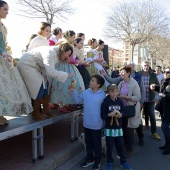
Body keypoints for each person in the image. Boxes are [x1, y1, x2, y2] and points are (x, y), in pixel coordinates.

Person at [17, 43, 74, 120]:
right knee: (39, 86)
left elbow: (48, 68)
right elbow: (51, 71)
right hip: (27, 64)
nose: (68, 56)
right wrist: (67, 75)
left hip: (36, 66)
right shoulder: (50, 53)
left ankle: (45, 110)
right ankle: (35, 112)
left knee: (46, 84)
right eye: (68, 54)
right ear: (63, 51)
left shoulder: (57, 53)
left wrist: (46, 75)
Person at [0, 1, 32, 125]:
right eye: (5, 9)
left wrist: (5, 52)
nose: (7, 12)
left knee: (4, 88)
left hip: (2, 58)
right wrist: (3, 53)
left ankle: (1, 114)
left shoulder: (3, 26)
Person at [72, 75, 105, 170]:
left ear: (98, 85)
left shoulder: (102, 95)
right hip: (87, 123)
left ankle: (98, 161)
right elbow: (77, 101)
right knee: (88, 143)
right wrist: (74, 91)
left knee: (97, 145)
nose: (90, 82)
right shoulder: (86, 93)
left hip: (97, 125)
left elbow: (104, 109)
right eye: (91, 80)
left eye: (93, 81)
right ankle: (90, 159)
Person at [49, 30, 85, 113]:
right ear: (68, 36)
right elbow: (69, 59)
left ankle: (56, 103)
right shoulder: (66, 45)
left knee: (59, 84)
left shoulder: (63, 43)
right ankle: (63, 104)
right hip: (65, 66)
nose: (74, 39)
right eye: (73, 37)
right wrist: (78, 62)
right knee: (65, 83)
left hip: (61, 66)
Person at [101, 84, 132, 170]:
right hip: (109, 129)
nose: (114, 94)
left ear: (118, 92)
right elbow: (102, 115)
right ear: (108, 92)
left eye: (116, 91)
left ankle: (123, 162)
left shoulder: (120, 101)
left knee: (121, 146)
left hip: (118, 129)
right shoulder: (105, 102)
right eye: (112, 92)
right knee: (109, 147)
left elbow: (124, 112)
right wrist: (109, 114)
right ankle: (109, 162)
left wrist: (121, 114)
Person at [118, 66, 141, 158]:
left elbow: (137, 97)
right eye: (120, 72)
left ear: (128, 73)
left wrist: (125, 97)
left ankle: (130, 150)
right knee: (123, 129)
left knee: (129, 130)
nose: (121, 74)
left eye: (123, 72)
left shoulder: (134, 83)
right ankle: (123, 147)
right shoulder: (121, 83)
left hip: (130, 109)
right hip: (122, 110)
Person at [139, 60, 161, 140]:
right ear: (142, 66)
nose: (146, 67)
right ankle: (139, 132)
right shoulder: (138, 74)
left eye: (147, 65)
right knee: (138, 115)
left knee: (152, 115)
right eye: (145, 65)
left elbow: (159, 87)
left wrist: (154, 86)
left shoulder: (153, 75)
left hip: (150, 98)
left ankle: (154, 132)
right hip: (140, 98)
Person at [150, 66, 170, 155]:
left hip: (168, 109)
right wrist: (155, 88)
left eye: (168, 72)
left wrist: (164, 95)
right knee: (164, 127)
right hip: (163, 107)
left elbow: (165, 94)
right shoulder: (164, 81)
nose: (166, 73)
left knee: (165, 128)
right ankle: (166, 144)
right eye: (165, 72)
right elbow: (162, 90)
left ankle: (169, 147)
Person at [128, 61, 146, 146]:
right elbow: (113, 80)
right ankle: (128, 144)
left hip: (136, 103)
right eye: (127, 65)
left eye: (130, 66)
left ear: (133, 67)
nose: (128, 67)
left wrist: (142, 102)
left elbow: (143, 90)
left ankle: (141, 137)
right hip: (127, 104)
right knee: (128, 123)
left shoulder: (138, 76)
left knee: (137, 121)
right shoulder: (123, 76)